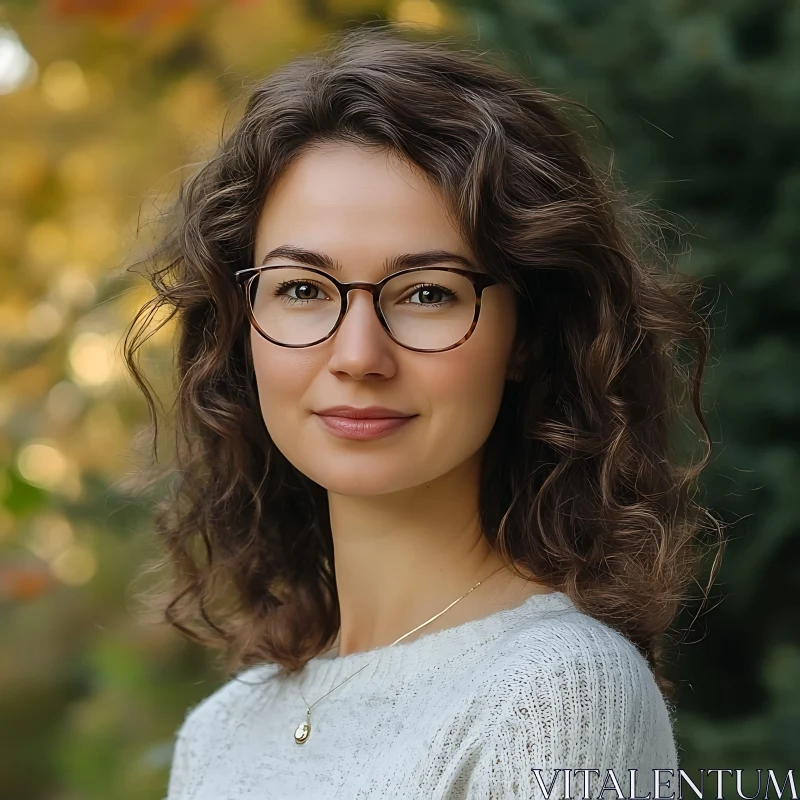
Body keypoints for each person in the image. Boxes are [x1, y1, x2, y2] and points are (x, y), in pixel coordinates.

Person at [124, 22, 721, 800]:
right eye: (303, 290)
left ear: (528, 338)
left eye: (428, 293)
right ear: (242, 330)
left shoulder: (561, 696)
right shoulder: (219, 734)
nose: (358, 355)